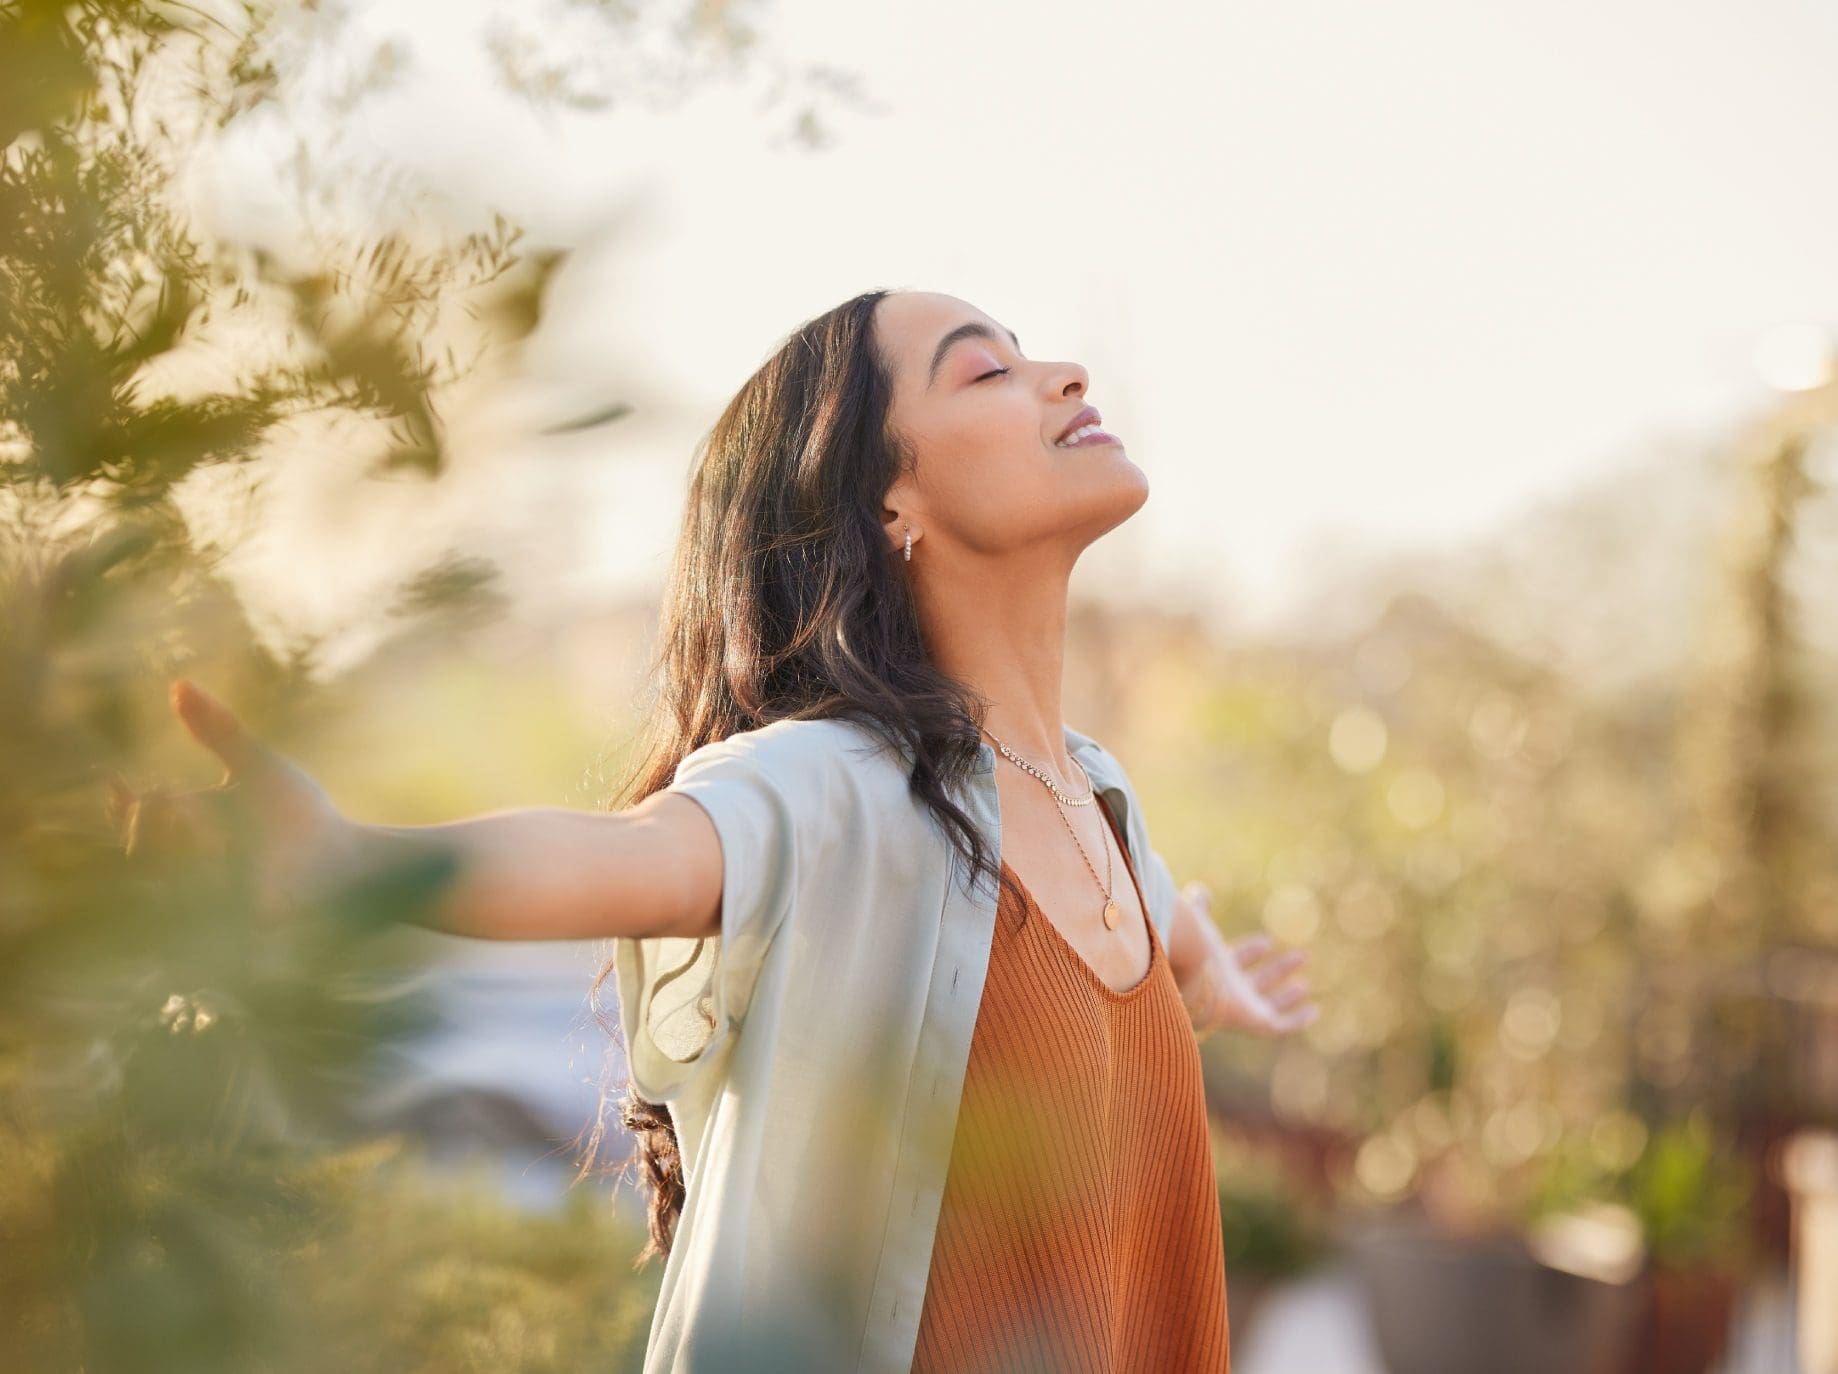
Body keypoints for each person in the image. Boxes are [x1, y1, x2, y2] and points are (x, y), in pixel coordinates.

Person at [138, 289, 1319, 1372]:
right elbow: (632, 858)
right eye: (983, 374)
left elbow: (1143, 927)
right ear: (886, 502)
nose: (1062, 374)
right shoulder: (838, 789)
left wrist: (1200, 968)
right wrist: (351, 866)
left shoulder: (1099, 804)